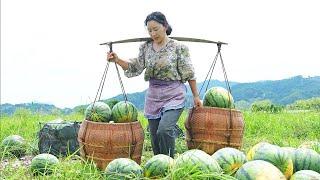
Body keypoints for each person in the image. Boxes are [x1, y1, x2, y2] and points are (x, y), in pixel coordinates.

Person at [107, 11, 202, 157]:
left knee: (164, 130)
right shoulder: (146, 47)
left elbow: (189, 73)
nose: (153, 33)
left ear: (165, 26)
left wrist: (196, 96)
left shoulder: (179, 48)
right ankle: (159, 164)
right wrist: (118, 60)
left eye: (156, 29)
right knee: (155, 136)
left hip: (174, 93)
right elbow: (136, 66)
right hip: (154, 95)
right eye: (149, 30)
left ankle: (170, 162)